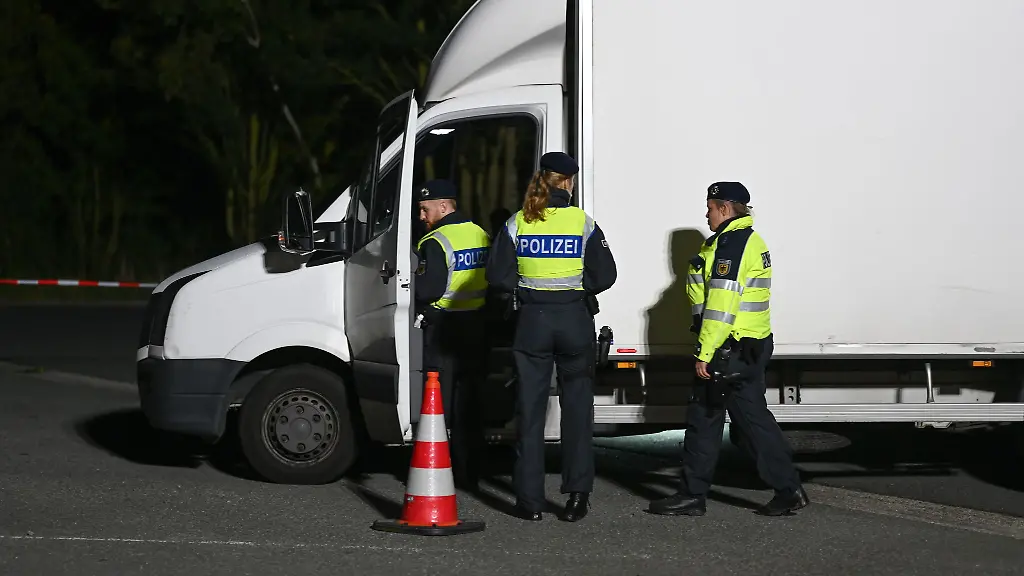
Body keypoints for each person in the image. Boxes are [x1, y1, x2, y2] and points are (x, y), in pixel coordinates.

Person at [647, 181, 809, 517]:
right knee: (736, 420)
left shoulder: (732, 246)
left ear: (723, 208)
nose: (706, 214)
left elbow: (721, 306)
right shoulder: (738, 241)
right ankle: (783, 488)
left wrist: (705, 352)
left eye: (709, 207)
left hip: (728, 348)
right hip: (746, 345)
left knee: (721, 420)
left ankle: (700, 494)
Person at [485, 151, 617, 522]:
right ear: (569, 182)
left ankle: (529, 502)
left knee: (529, 412)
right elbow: (606, 275)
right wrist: (578, 288)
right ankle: (577, 498)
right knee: (577, 411)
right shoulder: (582, 222)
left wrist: (524, 290)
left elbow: (496, 275)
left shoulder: (519, 221)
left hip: (532, 322)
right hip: (574, 320)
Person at [414, 179, 491, 490]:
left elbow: (429, 289)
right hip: (478, 325)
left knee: (439, 406)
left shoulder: (434, 241)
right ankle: (471, 470)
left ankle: (441, 469)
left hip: (445, 329)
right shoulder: (480, 233)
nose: (421, 216)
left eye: (424, 209)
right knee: (470, 404)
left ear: (444, 206)